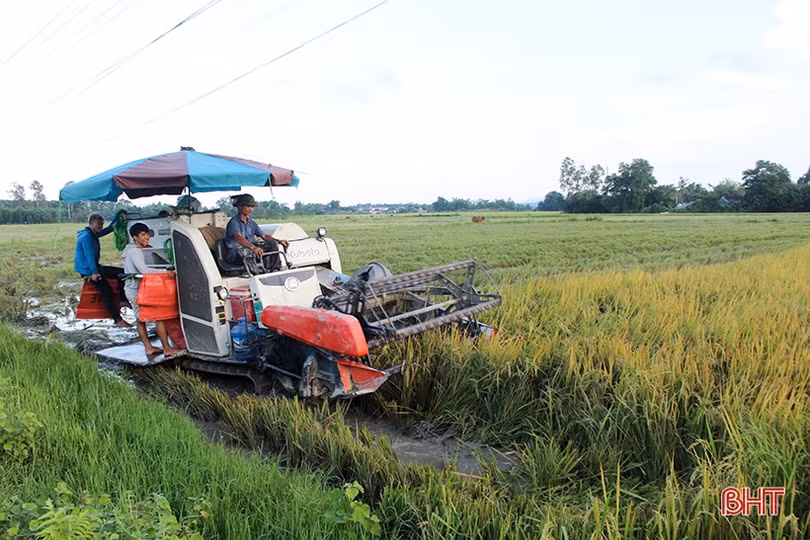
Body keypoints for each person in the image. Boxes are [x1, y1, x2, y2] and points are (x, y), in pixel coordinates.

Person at [122, 223, 183, 357]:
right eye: (143, 235)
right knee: (159, 317)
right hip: (136, 290)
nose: (147, 237)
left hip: (134, 290)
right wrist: (166, 272)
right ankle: (166, 348)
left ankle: (149, 347)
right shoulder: (135, 251)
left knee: (140, 319)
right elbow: (144, 270)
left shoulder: (130, 249)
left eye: (147, 234)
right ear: (135, 237)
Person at [74, 211, 130, 327]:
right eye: (99, 224)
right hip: (88, 270)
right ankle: (118, 320)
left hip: (95, 266)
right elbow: (89, 256)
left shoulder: (93, 233)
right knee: (107, 291)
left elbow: (110, 228)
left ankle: (123, 299)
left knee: (122, 273)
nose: (101, 227)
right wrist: (94, 273)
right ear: (91, 224)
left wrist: (117, 215)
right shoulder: (86, 237)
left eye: (102, 224)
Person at [224, 194, 288, 273]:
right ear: (240, 206)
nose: (250, 209)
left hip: (251, 252)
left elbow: (264, 235)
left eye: (252, 207)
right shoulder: (233, 223)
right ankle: (255, 273)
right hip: (235, 255)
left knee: (273, 243)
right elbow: (238, 238)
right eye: (248, 206)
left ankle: (275, 269)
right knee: (244, 251)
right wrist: (253, 247)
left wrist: (279, 241)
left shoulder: (252, 223)